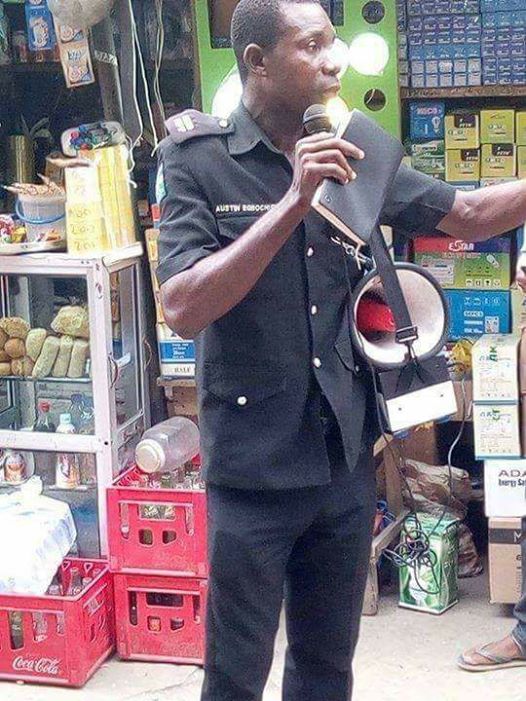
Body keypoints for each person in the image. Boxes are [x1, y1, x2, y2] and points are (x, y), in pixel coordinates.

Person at [156, 2, 526, 698]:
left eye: (335, 42)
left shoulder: (356, 153)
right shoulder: (199, 160)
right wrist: (292, 203)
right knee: (235, 674)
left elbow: (469, 214)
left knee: (327, 667)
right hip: (253, 473)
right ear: (257, 62)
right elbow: (182, 306)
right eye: (311, 45)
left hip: (342, 463)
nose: (333, 60)